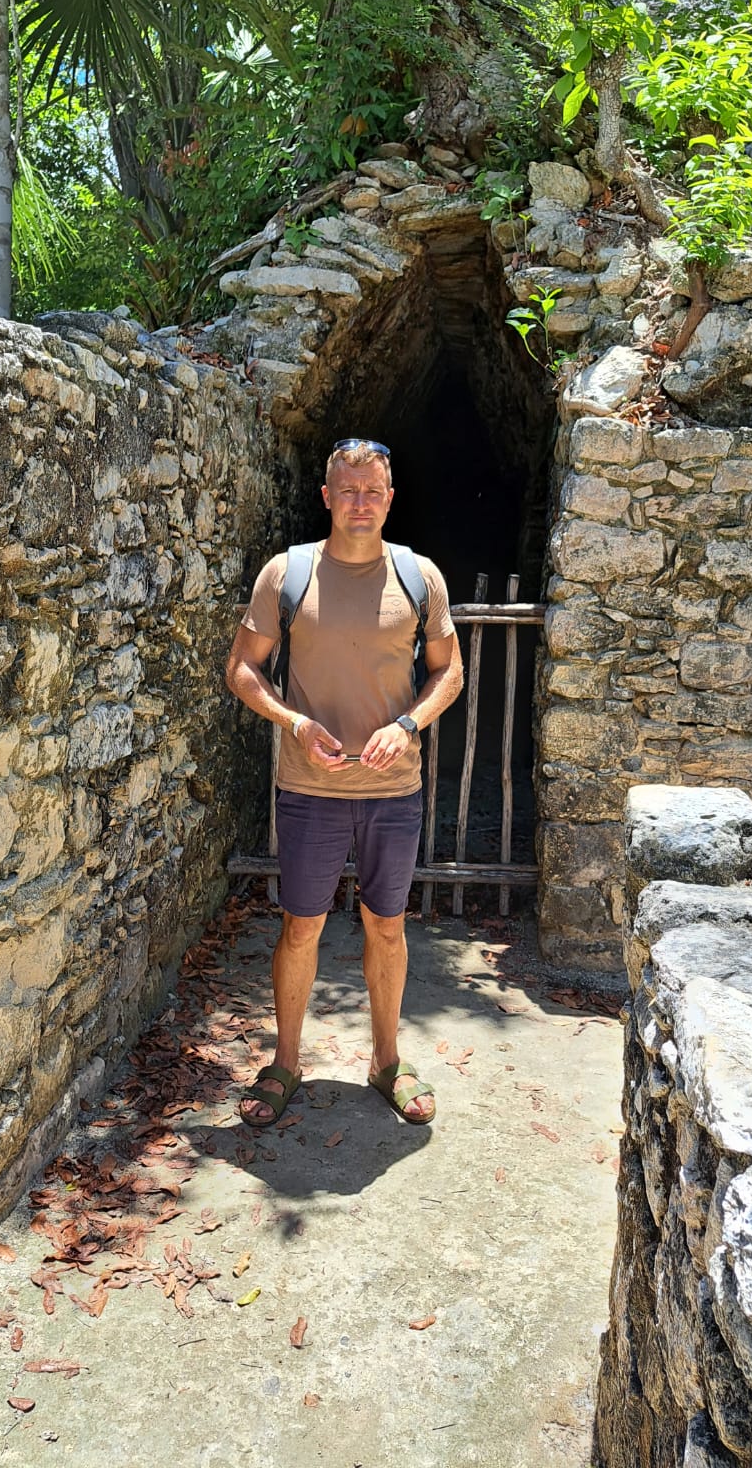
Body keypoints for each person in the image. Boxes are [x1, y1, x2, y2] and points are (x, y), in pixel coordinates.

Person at [225, 438, 464, 1127]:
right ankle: (286, 1062)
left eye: (373, 491)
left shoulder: (420, 578)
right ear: (326, 497)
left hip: (393, 792)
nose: (361, 503)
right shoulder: (287, 574)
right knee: (301, 927)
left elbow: (450, 671)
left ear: (391, 499)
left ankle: (387, 1061)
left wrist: (410, 725)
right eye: (347, 490)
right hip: (310, 789)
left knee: (386, 926)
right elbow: (243, 667)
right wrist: (292, 722)